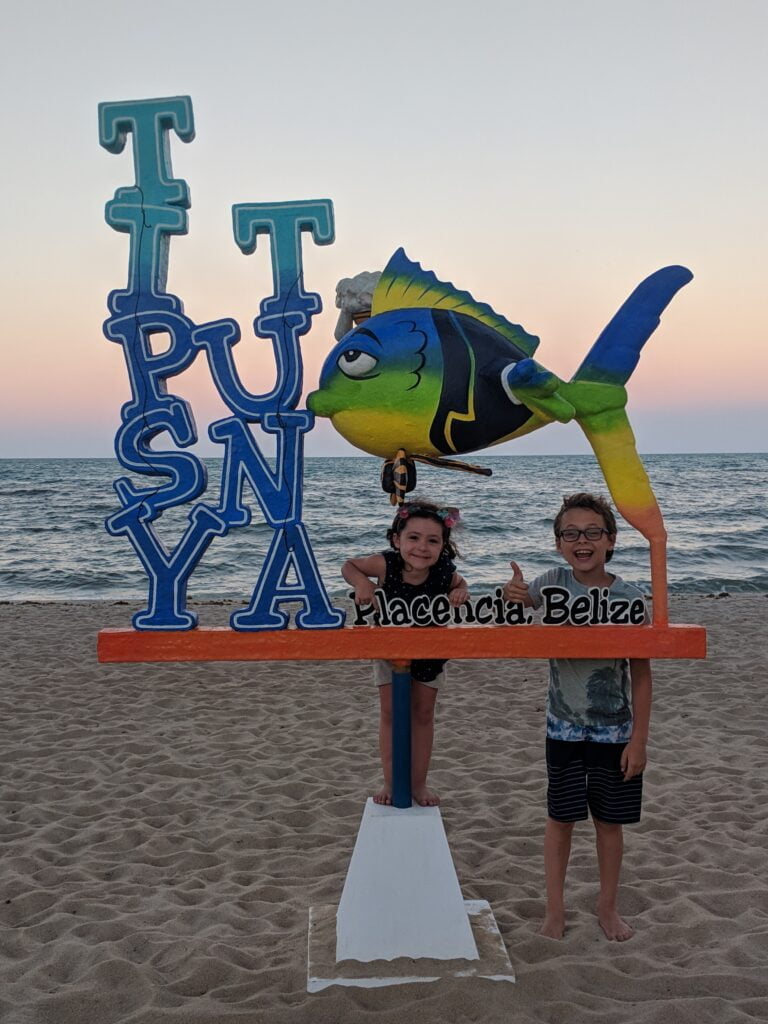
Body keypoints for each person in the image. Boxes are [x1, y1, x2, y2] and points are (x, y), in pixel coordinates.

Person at [503, 493, 652, 942]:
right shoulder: (551, 582)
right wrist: (514, 595)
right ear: (558, 542)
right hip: (561, 726)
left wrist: (639, 740)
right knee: (561, 818)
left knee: (609, 823)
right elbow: (515, 609)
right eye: (571, 533)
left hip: (616, 729)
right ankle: (555, 911)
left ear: (610, 541)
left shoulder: (629, 596)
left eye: (592, 532)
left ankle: (608, 909)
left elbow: (642, 676)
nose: (581, 541)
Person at [342, 501, 469, 807]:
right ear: (397, 540)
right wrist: (362, 583)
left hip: (432, 651)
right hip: (389, 648)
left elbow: (460, 583)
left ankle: (418, 783)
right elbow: (349, 565)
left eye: (432, 540)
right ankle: (390, 779)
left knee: (423, 715)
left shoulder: (444, 571)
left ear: (443, 545)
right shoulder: (386, 564)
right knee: (390, 714)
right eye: (413, 538)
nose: (422, 547)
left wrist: (460, 591)